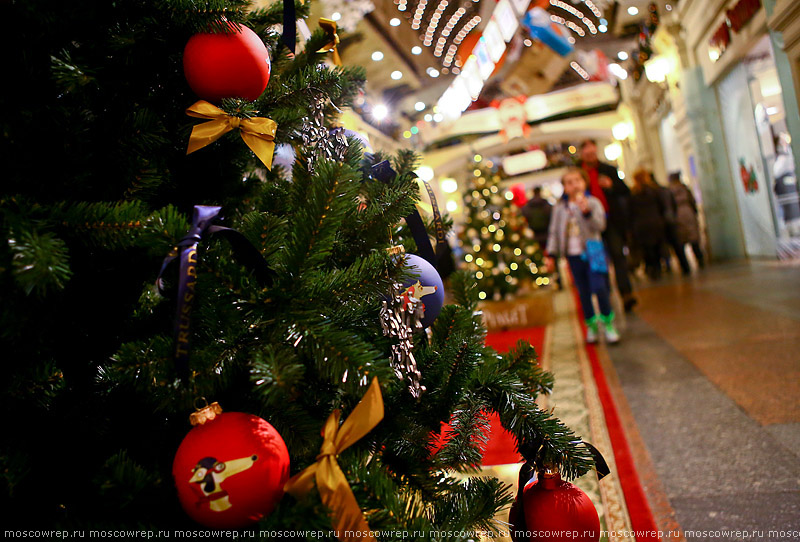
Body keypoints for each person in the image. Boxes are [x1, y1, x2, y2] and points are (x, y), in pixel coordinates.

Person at [546, 167, 619, 344]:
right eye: (569, 182)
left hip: (594, 251)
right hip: (573, 256)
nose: (574, 185)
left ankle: (608, 323)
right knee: (583, 292)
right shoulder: (560, 209)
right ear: (564, 187)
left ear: (584, 182)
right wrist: (551, 254)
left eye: (577, 181)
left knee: (600, 288)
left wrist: (586, 212)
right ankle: (592, 325)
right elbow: (554, 231)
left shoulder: (593, 202)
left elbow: (600, 226)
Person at [579, 139, 637, 312]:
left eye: (593, 153)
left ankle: (626, 294)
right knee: (598, 261)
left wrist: (612, 185)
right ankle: (606, 297)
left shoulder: (608, 170)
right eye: (587, 154)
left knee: (618, 257)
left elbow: (625, 191)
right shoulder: (579, 174)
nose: (591, 156)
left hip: (611, 221)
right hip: (592, 224)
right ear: (582, 155)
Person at [522, 186, 562, 289]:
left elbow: (525, 217)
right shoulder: (547, 205)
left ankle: (542, 281)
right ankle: (558, 280)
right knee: (553, 258)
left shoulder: (528, 207)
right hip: (548, 235)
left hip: (535, 236)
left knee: (538, 259)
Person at [630, 169, 666, 280]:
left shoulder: (634, 193)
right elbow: (662, 206)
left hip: (641, 225)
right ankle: (657, 268)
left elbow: (630, 211)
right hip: (655, 222)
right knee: (656, 247)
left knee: (647, 248)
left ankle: (651, 268)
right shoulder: (654, 190)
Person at [668, 172, 705, 269]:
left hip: (677, 215)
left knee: (680, 241)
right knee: (693, 239)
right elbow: (692, 201)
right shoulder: (684, 188)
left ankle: (685, 265)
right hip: (688, 213)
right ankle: (699, 258)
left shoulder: (669, 191)